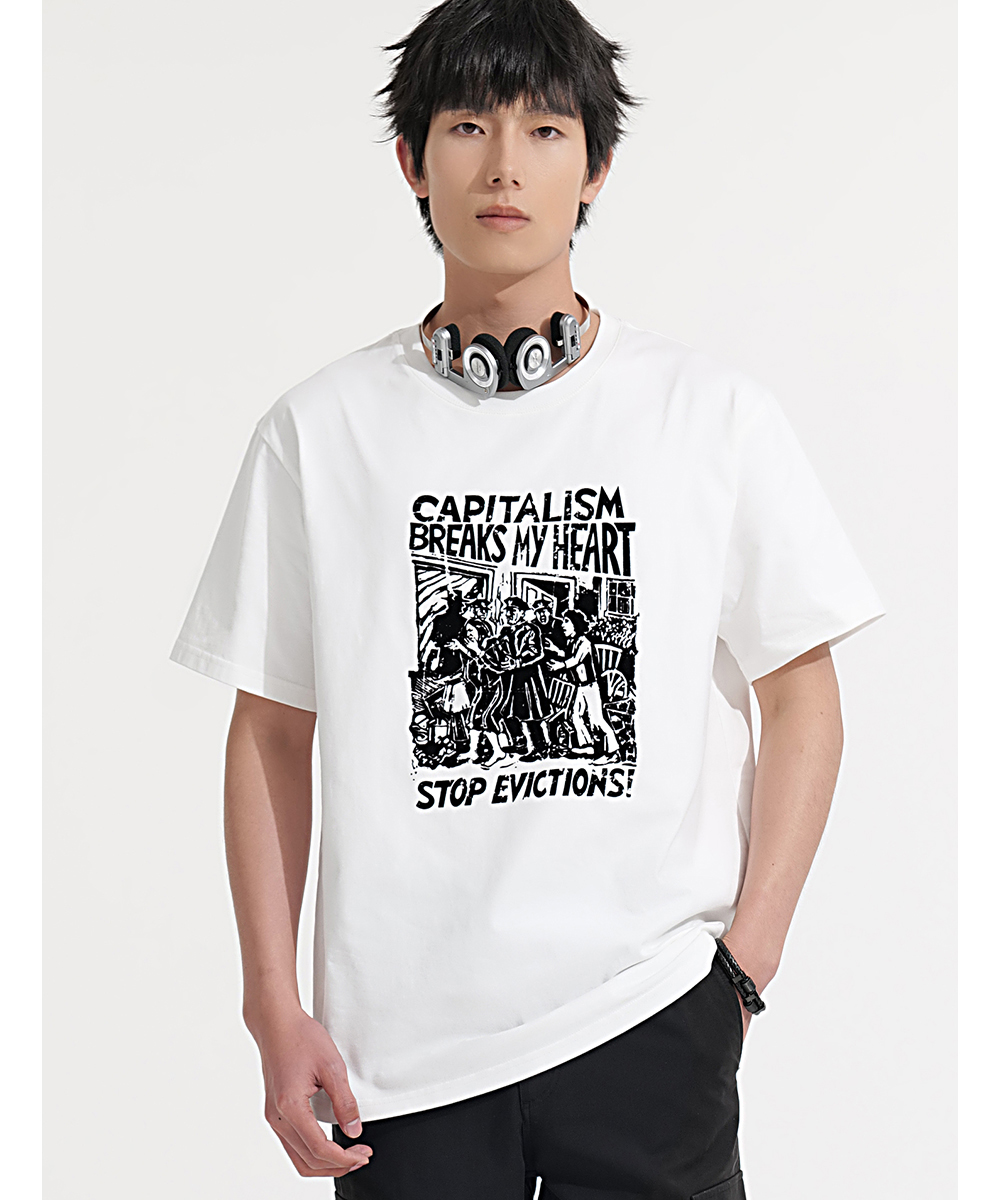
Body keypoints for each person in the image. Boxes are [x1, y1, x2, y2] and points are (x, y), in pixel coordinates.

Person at [168, 1, 885, 1196]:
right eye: (467, 126)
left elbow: (802, 694)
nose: (504, 166)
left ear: (595, 166)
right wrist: (270, 1008)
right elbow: (271, 731)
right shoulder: (319, 433)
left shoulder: (708, 417)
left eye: (546, 131)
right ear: (413, 160)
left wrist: (743, 970)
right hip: (400, 1063)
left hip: (648, 1018)